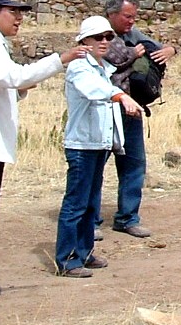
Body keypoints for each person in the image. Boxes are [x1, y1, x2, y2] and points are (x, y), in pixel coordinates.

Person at [0, 0, 86, 311]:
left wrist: (19, 88)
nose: (20, 17)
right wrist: (60, 60)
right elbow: (11, 76)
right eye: (13, 11)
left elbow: (4, 85)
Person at [54, 16, 141, 277]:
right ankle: (68, 259)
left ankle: (84, 251)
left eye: (107, 37)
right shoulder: (80, 67)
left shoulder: (102, 69)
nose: (104, 42)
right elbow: (94, 90)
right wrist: (121, 96)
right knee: (76, 203)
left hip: (97, 143)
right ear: (84, 41)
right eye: (97, 37)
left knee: (91, 203)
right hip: (82, 144)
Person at [102, 0, 176, 238]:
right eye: (127, 16)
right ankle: (89, 221)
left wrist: (170, 50)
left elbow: (158, 48)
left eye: (134, 16)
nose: (132, 21)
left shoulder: (133, 34)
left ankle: (127, 218)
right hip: (104, 110)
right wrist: (133, 54)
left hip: (131, 109)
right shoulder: (97, 33)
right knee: (95, 166)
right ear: (111, 14)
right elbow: (112, 57)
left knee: (134, 163)